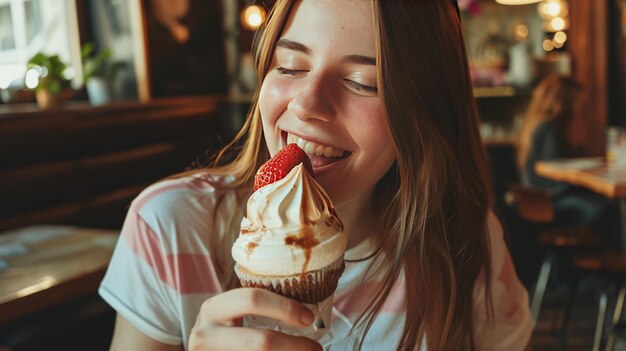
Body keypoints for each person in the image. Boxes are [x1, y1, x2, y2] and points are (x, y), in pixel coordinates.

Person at [99, 1, 532, 350]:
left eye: (364, 82)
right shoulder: (168, 227)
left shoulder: (466, 245)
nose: (307, 104)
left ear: (425, 113)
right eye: (289, 66)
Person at [517, 73, 617, 237]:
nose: (581, 107)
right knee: (611, 212)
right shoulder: (550, 128)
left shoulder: (536, 126)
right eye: (578, 101)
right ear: (564, 102)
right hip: (551, 204)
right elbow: (555, 175)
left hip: (537, 204)